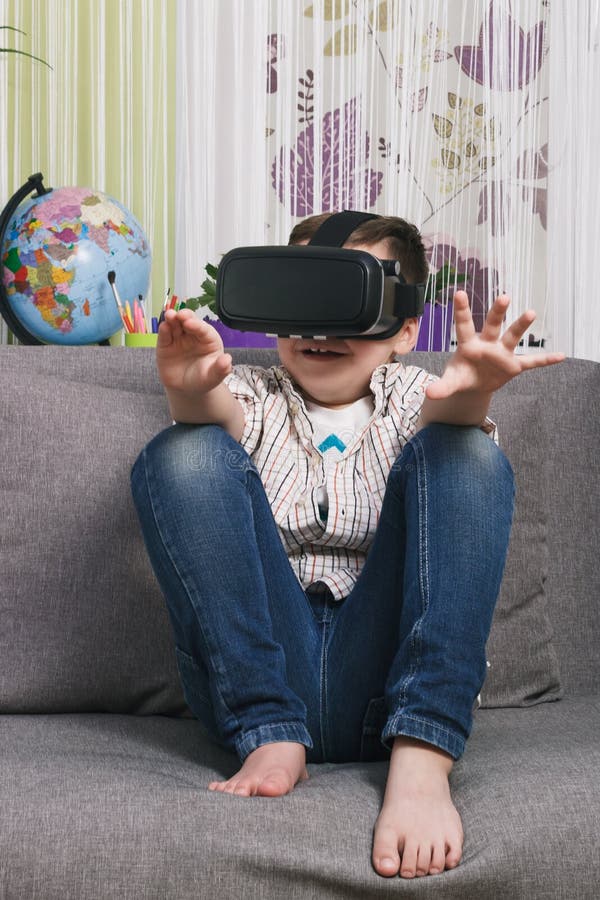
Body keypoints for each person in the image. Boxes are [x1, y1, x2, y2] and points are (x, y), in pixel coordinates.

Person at [130, 213, 564, 880]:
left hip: (385, 681)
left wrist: (472, 393)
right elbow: (216, 416)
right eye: (304, 299)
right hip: (266, 674)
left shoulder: (418, 395)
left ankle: (423, 757)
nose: (320, 329)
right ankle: (270, 733)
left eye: (349, 300)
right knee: (183, 453)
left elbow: (446, 422)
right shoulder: (254, 393)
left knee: (468, 454)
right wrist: (190, 392)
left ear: (405, 330)